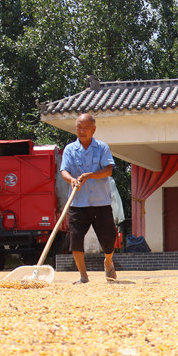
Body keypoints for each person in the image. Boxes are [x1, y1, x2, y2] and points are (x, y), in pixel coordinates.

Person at [60, 113, 118, 284]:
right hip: (78, 202)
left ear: (93, 129)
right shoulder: (70, 149)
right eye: (79, 127)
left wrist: (89, 175)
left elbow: (108, 171)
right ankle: (83, 276)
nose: (81, 131)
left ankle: (108, 262)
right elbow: (64, 170)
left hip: (101, 202)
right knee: (76, 239)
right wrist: (71, 179)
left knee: (109, 239)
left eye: (85, 128)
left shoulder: (102, 148)